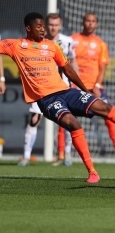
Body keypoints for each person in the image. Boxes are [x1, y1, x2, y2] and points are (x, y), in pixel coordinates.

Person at [0, 12, 115, 183]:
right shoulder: (15, 45)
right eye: (39, 26)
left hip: (67, 91)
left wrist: (85, 90)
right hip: (47, 100)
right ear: (28, 28)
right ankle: (92, 172)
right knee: (73, 124)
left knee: (104, 108)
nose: (43, 29)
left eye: (43, 26)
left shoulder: (52, 46)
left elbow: (68, 69)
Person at [18, 13, 78, 167]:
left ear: (60, 25)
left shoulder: (67, 42)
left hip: (62, 87)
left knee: (68, 121)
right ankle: (26, 156)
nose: (53, 28)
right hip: (40, 87)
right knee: (34, 120)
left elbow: (72, 62)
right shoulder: (34, 41)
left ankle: (67, 154)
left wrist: (75, 83)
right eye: (50, 24)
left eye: (56, 25)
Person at [71, 12, 115, 165]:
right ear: (83, 22)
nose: (90, 23)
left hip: (94, 87)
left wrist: (97, 85)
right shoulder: (73, 40)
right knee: (67, 119)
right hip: (76, 86)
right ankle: (63, 155)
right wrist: (72, 84)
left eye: (93, 21)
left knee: (111, 117)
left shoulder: (101, 44)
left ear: (96, 24)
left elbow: (102, 69)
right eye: (87, 21)